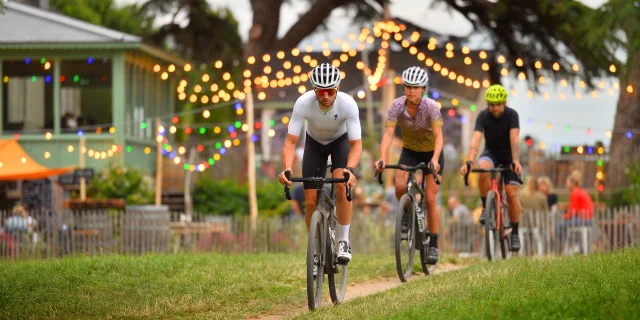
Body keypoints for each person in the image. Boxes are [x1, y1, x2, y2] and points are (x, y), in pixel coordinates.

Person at [278, 63, 362, 265]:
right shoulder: (303, 103)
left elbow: (356, 145)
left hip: (340, 143)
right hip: (314, 145)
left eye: (330, 91)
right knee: (309, 201)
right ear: (314, 90)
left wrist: (350, 170)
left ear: (338, 88)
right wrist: (287, 168)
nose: (326, 96)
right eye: (321, 91)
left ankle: (343, 240)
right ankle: (314, 248)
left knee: (341, 186)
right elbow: (290, 142)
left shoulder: (348, 104)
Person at [375, 66, 444, 264]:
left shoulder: (431, 106)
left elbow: (439, 137)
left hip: (433, 154)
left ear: (423, 89)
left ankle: (434, 244)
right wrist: (382, 157)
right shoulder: (396, 106)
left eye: (415, 87)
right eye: (407, 87)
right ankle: (407, 210)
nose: (411, 90)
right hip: (410, 152)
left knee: (430, 198)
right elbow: (388, 134)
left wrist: (436, 159)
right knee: (399, 186)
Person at [459, 84, 523, 252]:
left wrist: (515, 160)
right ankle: (486, 208)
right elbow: (475, 140)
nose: (494, 108)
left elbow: (514, 140)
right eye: (491, 104)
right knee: (483, 168)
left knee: (511, 192)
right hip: (491, 153)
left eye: (498, 104)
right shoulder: (483, 116)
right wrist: (470, 161)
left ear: (504, 102)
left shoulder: (512, 115)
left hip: (509, 155)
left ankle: (514, 232)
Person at [555, 170, 594, 244]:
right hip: (587, 219)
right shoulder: (580, 191)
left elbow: (573, 212)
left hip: (583, 219)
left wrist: (564, 217)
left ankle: (568, 243)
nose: (566, 185)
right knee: (564, 224)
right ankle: (573, 243)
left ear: (572, 183)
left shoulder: (575, 193)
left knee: (559, 225)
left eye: (567, 182)